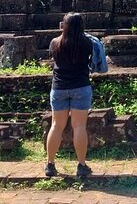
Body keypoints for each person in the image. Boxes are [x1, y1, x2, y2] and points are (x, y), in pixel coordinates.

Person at [45, 13, 107, 178]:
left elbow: (55, 53)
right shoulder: (88, 43)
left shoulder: (55, 42)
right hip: (80, 86)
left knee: (56, 126)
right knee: (79, 127)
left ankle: (50, 164)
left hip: (59, 87)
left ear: (64, 26)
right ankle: (81, 165)